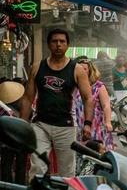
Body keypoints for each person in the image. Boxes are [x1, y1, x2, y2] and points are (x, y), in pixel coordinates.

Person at [19, 29, 94, 177]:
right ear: (48, 44)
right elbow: (28, 98)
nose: (58, 45)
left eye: (62, 42)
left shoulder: (77, 69)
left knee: (67, 172)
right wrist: (22, 124)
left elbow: (88, 98)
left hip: (65, 126)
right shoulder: (37, 67)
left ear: (67, 45)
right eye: (54, 41)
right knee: (38, 168)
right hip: (40, 124)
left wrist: (87, 123)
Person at [72, 57, 115, 151]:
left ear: (90, 71)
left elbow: (106, 105)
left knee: (97, 152)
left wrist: (108, 122)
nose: (82, 71)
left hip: (96, 126)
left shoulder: (98, 86)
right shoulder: (73, 87)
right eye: (79, 69)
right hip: (78, 125)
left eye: (85, 69)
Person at [0, 81, 29, 186]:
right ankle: (20, 186)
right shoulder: (23, 107)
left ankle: (7, 188)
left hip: (6, 141)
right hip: (21, 139)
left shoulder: (2, 109)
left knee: (6, 165)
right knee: (20, 166)